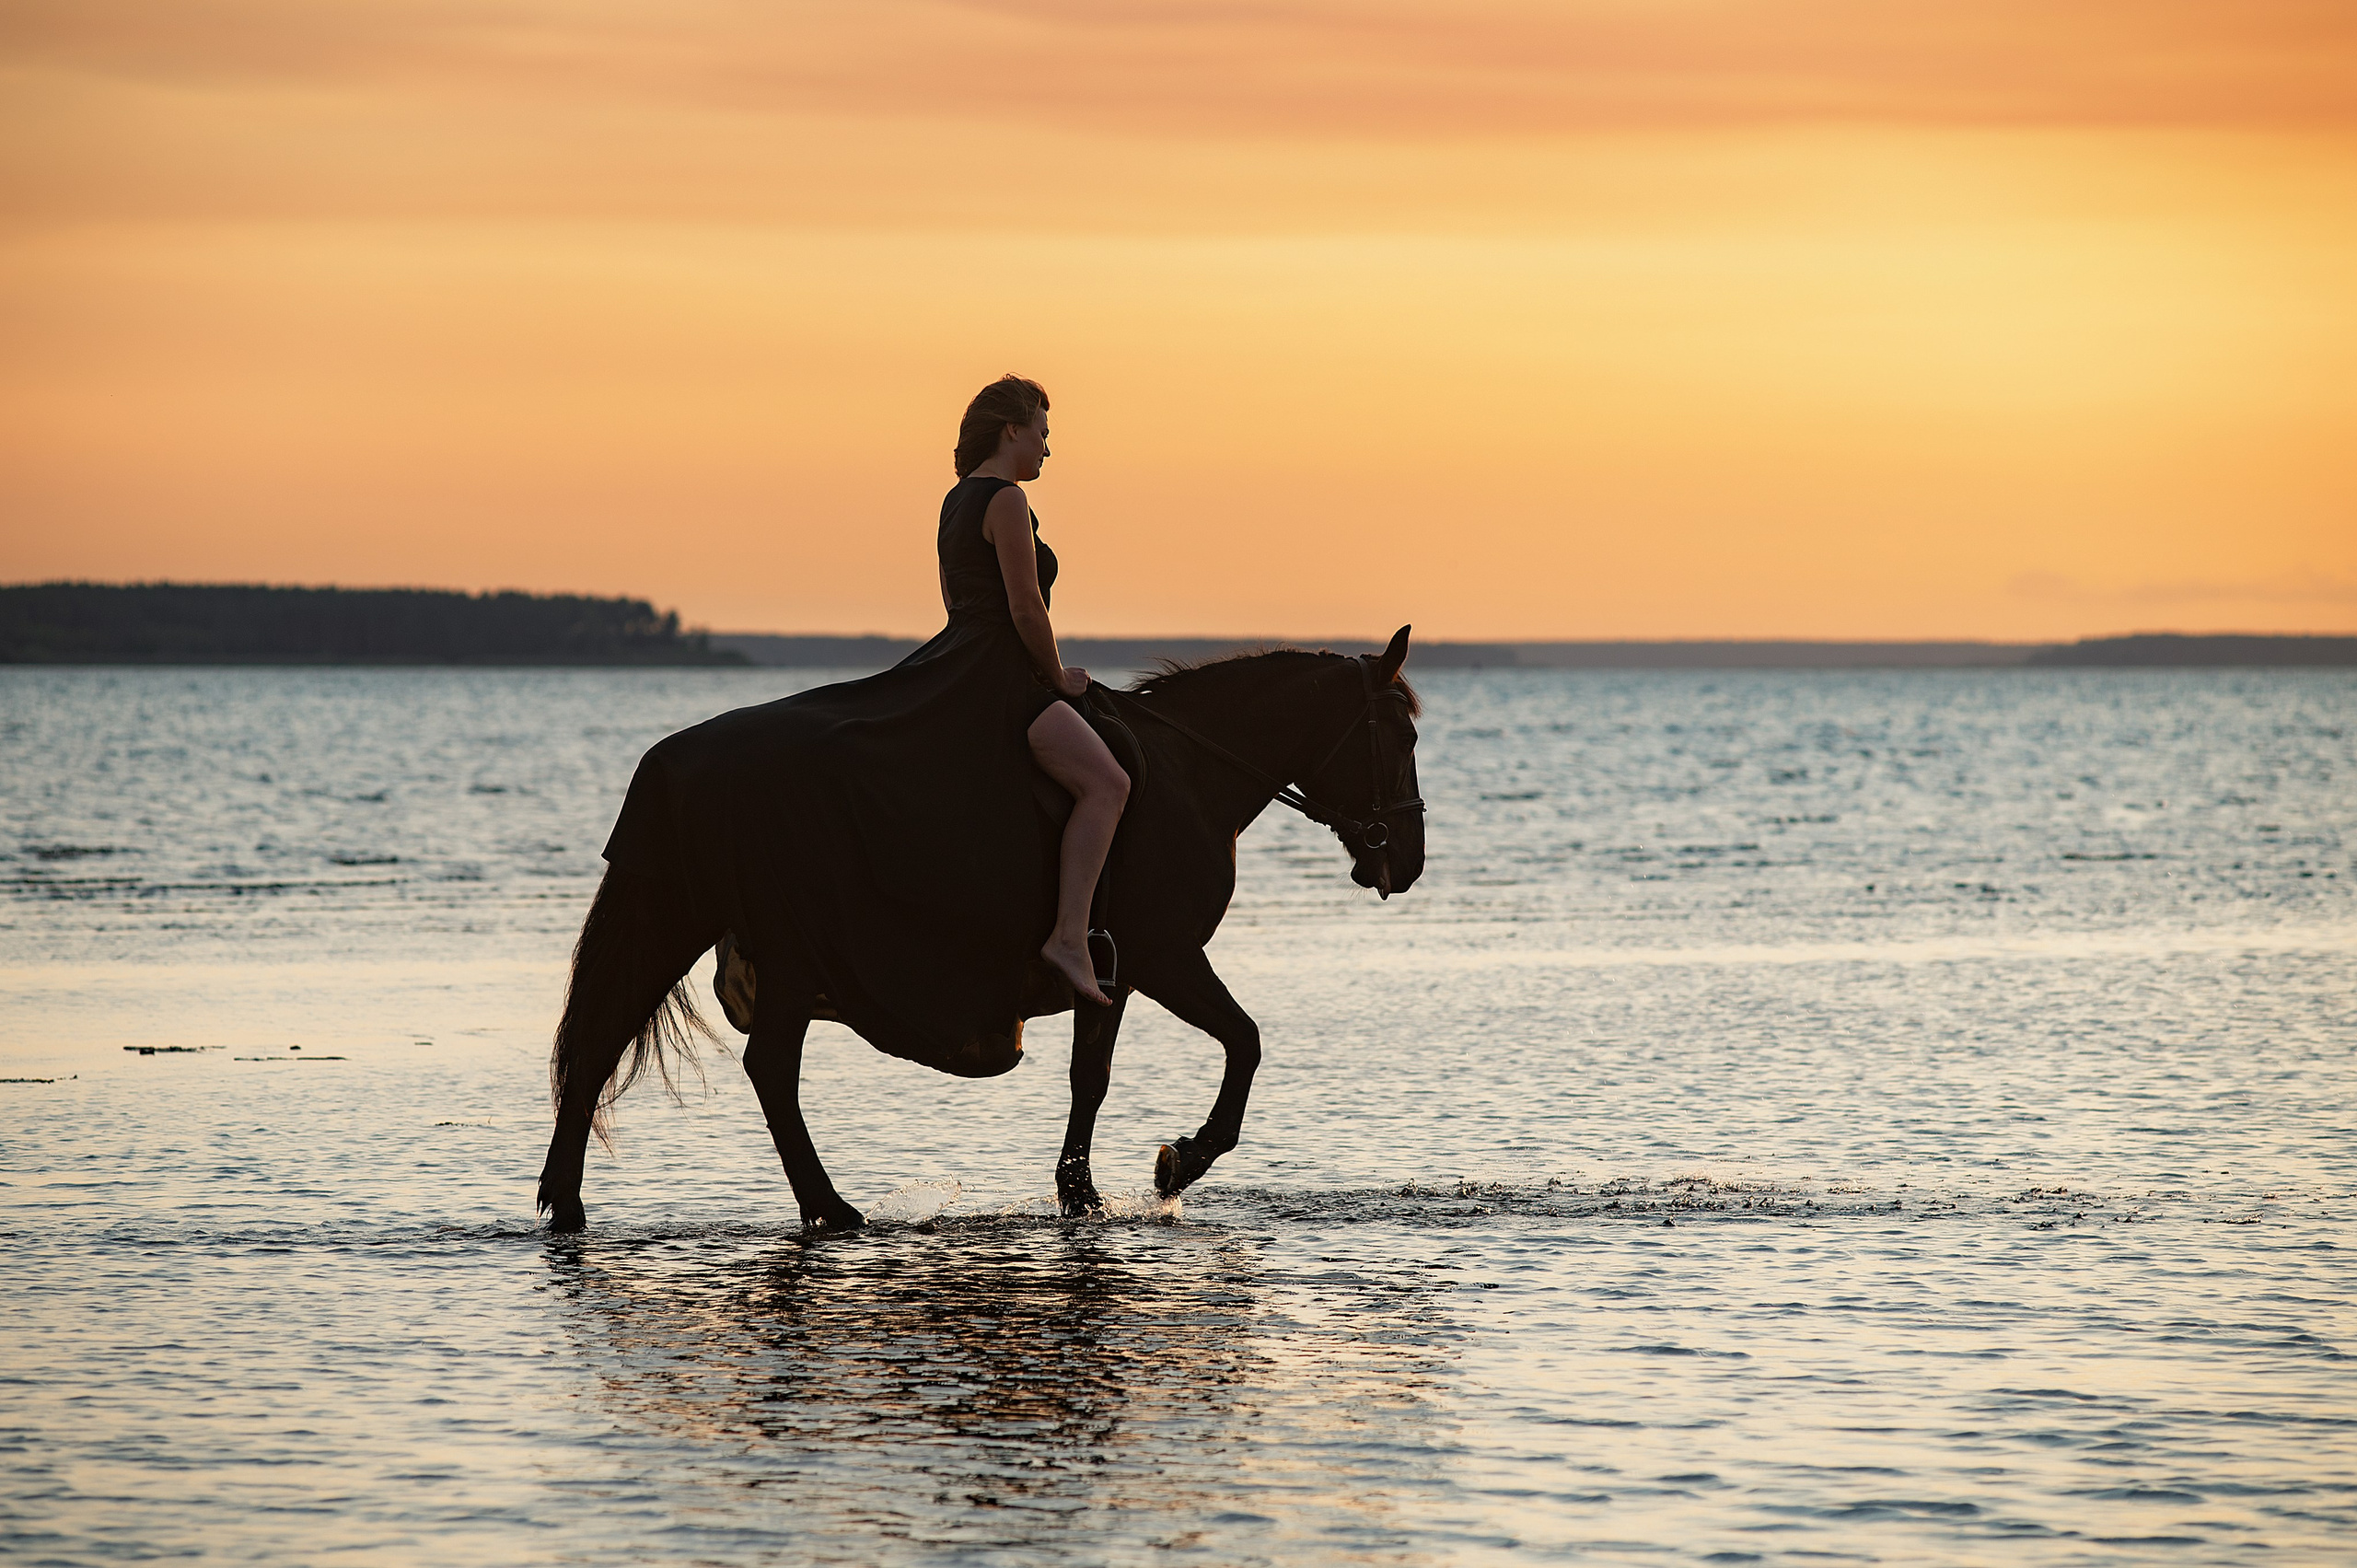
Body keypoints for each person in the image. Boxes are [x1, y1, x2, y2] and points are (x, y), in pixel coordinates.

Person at [939, 375, 1129, 1005]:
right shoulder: (1008, 500)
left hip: (959, 663)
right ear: (1012, 429)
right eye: (1042, 433)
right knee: (1107, 784)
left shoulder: (956, 500)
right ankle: (1069, 936)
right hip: (1002, 677)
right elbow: (1025, 607)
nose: (1048, 447)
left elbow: (957, 604)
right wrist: (1057, 676)